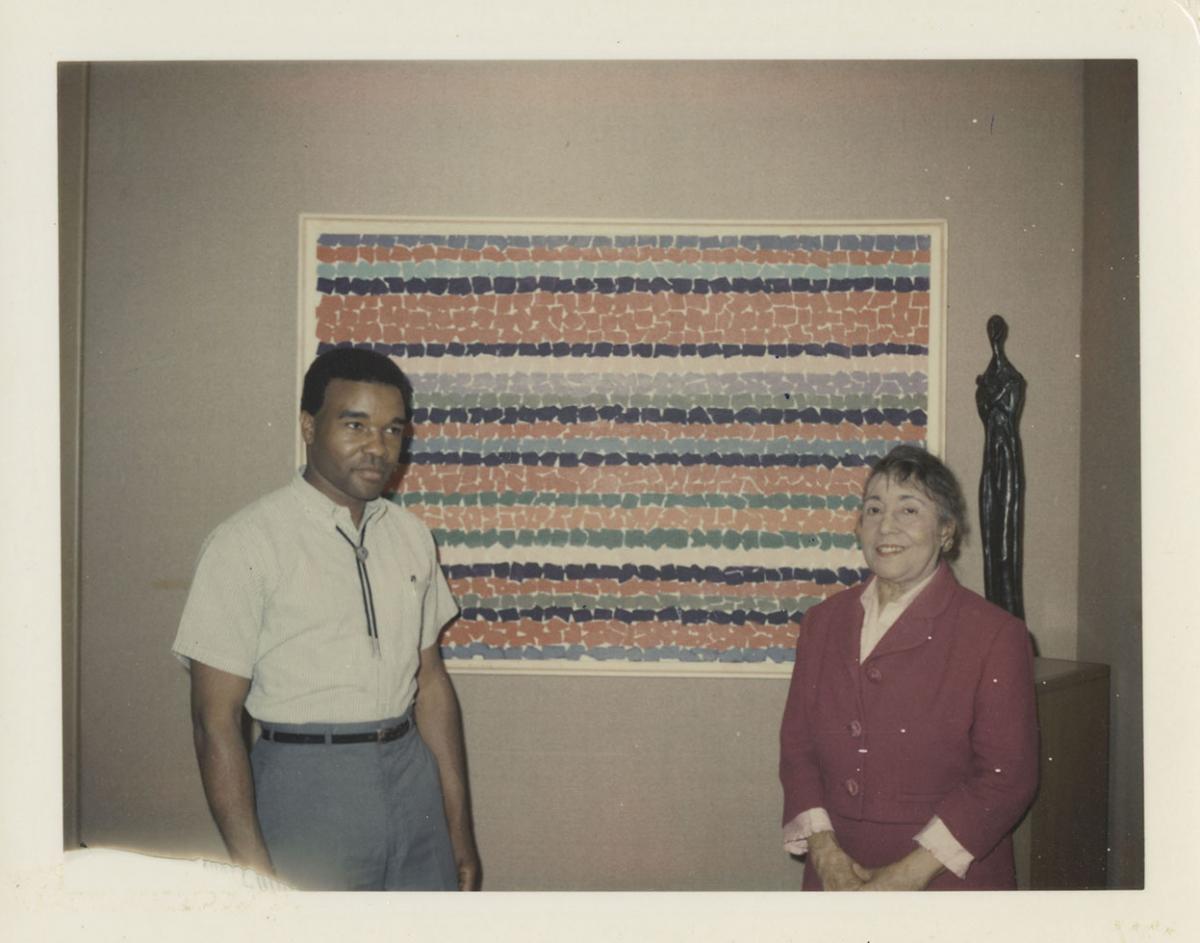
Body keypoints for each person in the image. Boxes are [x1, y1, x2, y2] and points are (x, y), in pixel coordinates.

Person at [172, 347, 481, 891]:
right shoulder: (246, 543)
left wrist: (459, 832)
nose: (377, 447)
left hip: (413, 779)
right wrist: (252, 876)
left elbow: (431, 685)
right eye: (355, 424)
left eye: (392, 430)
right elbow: (213, 722)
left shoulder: (411, 537)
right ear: (309, 426)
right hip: (306, 785)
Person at [778, 445, 1037, 890]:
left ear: (946, 532)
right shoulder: (822, 623)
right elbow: (798, 748)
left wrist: (903, 877)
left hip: (944, 882)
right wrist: (825, 854)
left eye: (909, 509)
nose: (886, 525)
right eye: (873, 508)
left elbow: (1006, 779)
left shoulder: (996, 635)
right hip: (835, 874)